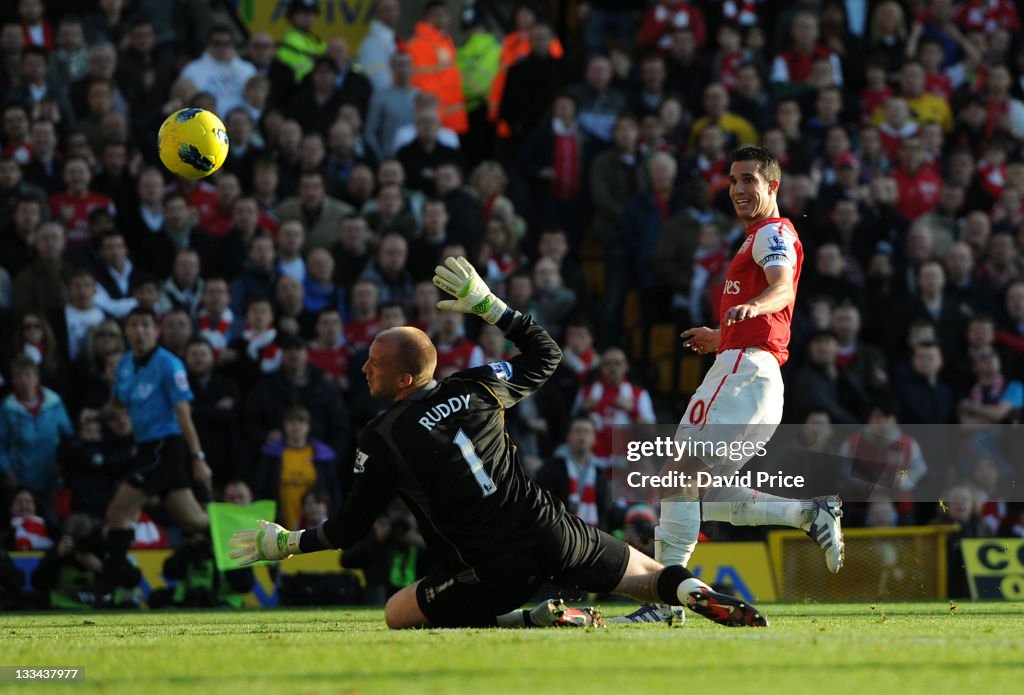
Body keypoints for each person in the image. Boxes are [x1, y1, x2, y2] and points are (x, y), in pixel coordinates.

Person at [230, 256, 767, 629]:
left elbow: (351, 527)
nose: (364, 365)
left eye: (376, 361)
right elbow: (547, 355)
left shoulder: (384, 435)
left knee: (398, 613)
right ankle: (694, 592)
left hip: (491, 570)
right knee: (647, 575)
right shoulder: (477, 386)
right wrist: (491, 306)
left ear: (403, 380)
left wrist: (288, 543)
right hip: (547, 527)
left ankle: (529, 619)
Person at [619, 146, 845, 624]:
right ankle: (809, 513)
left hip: (744, 372)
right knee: (709, 493)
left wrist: (752, 310)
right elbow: (774, 310)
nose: (739, 189)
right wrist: (722, 335)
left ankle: (661, 601)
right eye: (733, 180)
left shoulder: (772, 233)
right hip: (751, 369)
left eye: (749, 180)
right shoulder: (756, 237)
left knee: (680, 474)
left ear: (773, 186)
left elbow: (782, 289)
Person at [104, 307, 211, 591]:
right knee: (194, 520)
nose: (139, 331)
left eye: (145, 326)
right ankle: (241, 534)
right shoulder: (125, 364)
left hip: (165, 447)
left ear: (156, 331)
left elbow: (183, 414)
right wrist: (107, 416)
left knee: (118, 511)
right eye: (134, 325)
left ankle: (115, 579)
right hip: (145, 447)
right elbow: (117, 403)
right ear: (126, 331)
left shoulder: (169, 364)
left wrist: (198, 457)